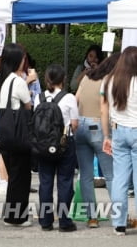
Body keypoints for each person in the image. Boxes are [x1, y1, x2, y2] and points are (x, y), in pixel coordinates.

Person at [74, 53, 120, 228]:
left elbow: (76, 98)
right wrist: (107, 135)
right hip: (98, 127)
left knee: (85, 175)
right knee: (111, 175)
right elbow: (104, 110)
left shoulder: (87, 76)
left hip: (81, 125)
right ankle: (118, 216)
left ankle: (91, 217)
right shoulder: (109, 81)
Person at [33, 64, 79, 232]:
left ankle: (46, 221)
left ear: (46, 79)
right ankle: (65, 221)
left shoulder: (39, 98)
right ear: (64, 79)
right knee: (65, 182)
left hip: (43, 146)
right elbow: (74, 124)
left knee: (45, 182)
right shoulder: (69, 98)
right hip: (64, 144)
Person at [0, 43, 32, 227]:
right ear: (17, 60)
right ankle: (17, 217)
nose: (25, 61)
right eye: (23, 58)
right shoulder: (18, 81)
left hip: (5, 134)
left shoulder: (2, 79)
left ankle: (11, 215)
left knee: (14, 176)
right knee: (21, 177)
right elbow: (28, 106)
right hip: (19, 136)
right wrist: (30, 81)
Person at [101, 46, 137, 236]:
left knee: (119, 180)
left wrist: (106, 136)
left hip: (118, 132)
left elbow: (104, 111)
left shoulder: (109, 81)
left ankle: (119, 223)